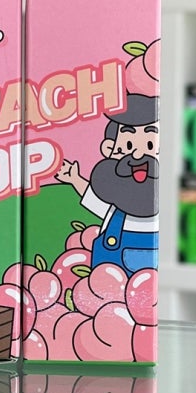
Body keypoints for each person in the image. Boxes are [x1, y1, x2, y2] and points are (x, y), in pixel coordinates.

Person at [56, 93, 159, 276]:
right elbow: (94, 200)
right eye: (128, 146)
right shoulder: (116, 210)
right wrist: (75, 179)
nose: (137, 156)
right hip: (106, 284)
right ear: (109, 149)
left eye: (150, 145)